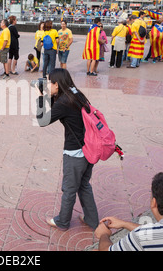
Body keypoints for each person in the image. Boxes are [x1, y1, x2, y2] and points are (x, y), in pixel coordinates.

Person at [36, 68, 99, 231]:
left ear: (57, 84)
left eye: (50, 82)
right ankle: (92, 220)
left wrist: (41, 97)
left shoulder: (65, 102)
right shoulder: (75, 93)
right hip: (89, 149)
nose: (48, 84)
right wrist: (48, 94)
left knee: (69, 189)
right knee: (83, 185)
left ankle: (63, 222)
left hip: (75, 153)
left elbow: (42, 121)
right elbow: (58, 107)